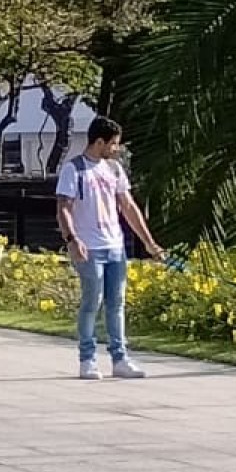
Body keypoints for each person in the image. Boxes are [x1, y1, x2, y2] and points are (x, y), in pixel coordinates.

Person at [55, 116, 165, 381]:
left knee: (117, 303)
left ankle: (120, 358)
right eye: (114, 144)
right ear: (99, 142)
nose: (117, 148)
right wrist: (72, 239)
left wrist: (149, 242)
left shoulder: (114, 169)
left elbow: (128, 207)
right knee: (92, 301)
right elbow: (63, 209)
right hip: (89, 247)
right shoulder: (75, 170)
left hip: (115, 245)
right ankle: (88, 359)